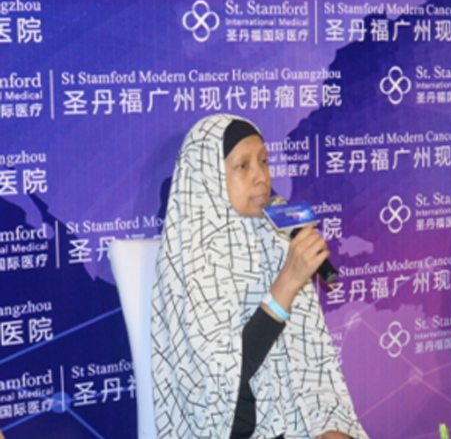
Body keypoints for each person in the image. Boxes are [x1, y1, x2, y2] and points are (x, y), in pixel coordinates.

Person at [151, 114, 368, 439]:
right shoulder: (189, 256)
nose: (261, 177)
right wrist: (287, 284)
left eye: (264, 162)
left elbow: (312, 362)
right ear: (208, 176)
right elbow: (219, 386)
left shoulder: (276, 237)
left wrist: (328, 425)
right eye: (243, 166)